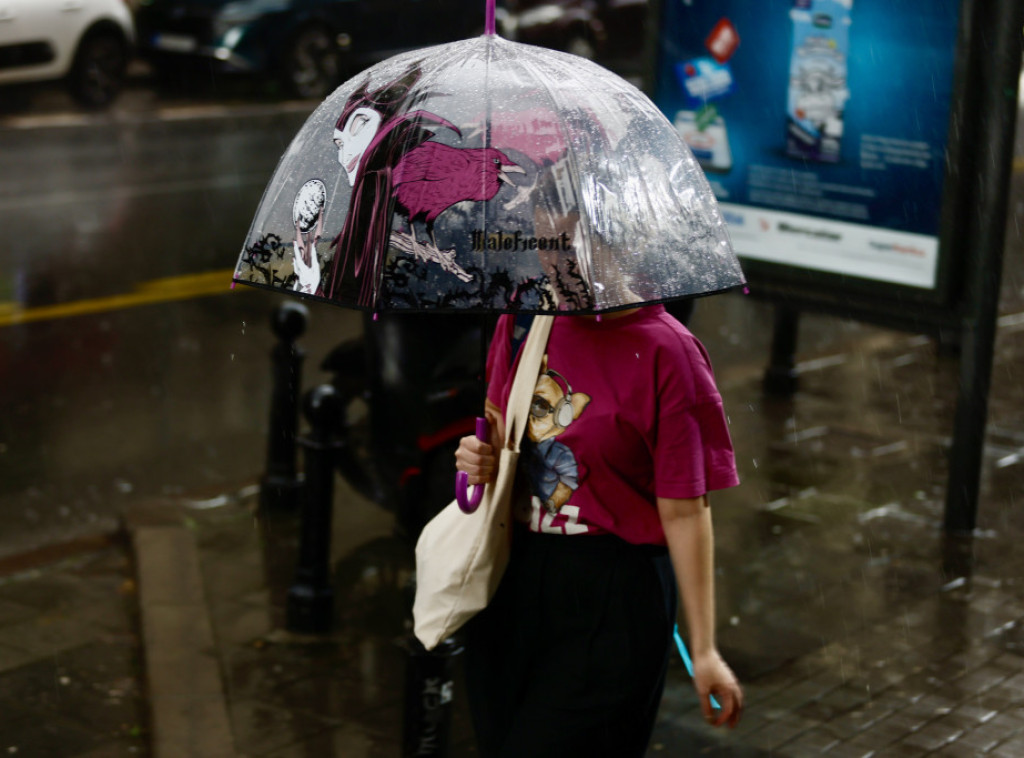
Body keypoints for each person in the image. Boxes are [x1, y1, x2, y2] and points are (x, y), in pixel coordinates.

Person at [454, 304, 744, 757]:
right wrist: (476, 455)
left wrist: (704, 649)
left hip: (612, 592)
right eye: (550, 237)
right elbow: (498, 437)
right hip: (510, 576)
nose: (558, 253)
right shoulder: (523, 318)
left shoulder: (668, 352)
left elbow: (686, 511)